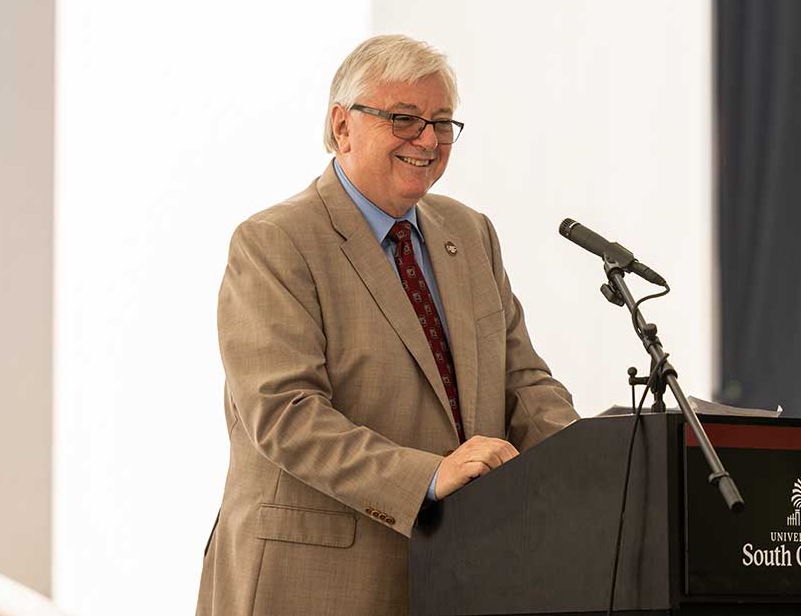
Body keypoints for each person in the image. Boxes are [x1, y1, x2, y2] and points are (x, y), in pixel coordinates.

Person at [196, 34, 579, 616]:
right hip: (311, 580)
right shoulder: (275, 242)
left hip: (456, 573)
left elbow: (523, 382)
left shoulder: (469, 232)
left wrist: (592, 465)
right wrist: (428, 477)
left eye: (442, 122)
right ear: (341, 126)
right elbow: (284, 413)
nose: (427, 139)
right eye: (404, 119)